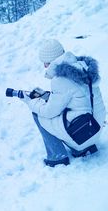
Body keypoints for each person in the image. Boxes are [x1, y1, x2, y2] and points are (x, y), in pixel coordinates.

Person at [22, 39, 106, 167]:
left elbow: (49, 112)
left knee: (38, 114)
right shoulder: (83, 67)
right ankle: (83, 149)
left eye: (45, 63)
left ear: (51, 61)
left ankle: (57, 156)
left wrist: (31, 102)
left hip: (83, 134)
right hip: (95, 128)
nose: (45, 66)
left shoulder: (61, 79)